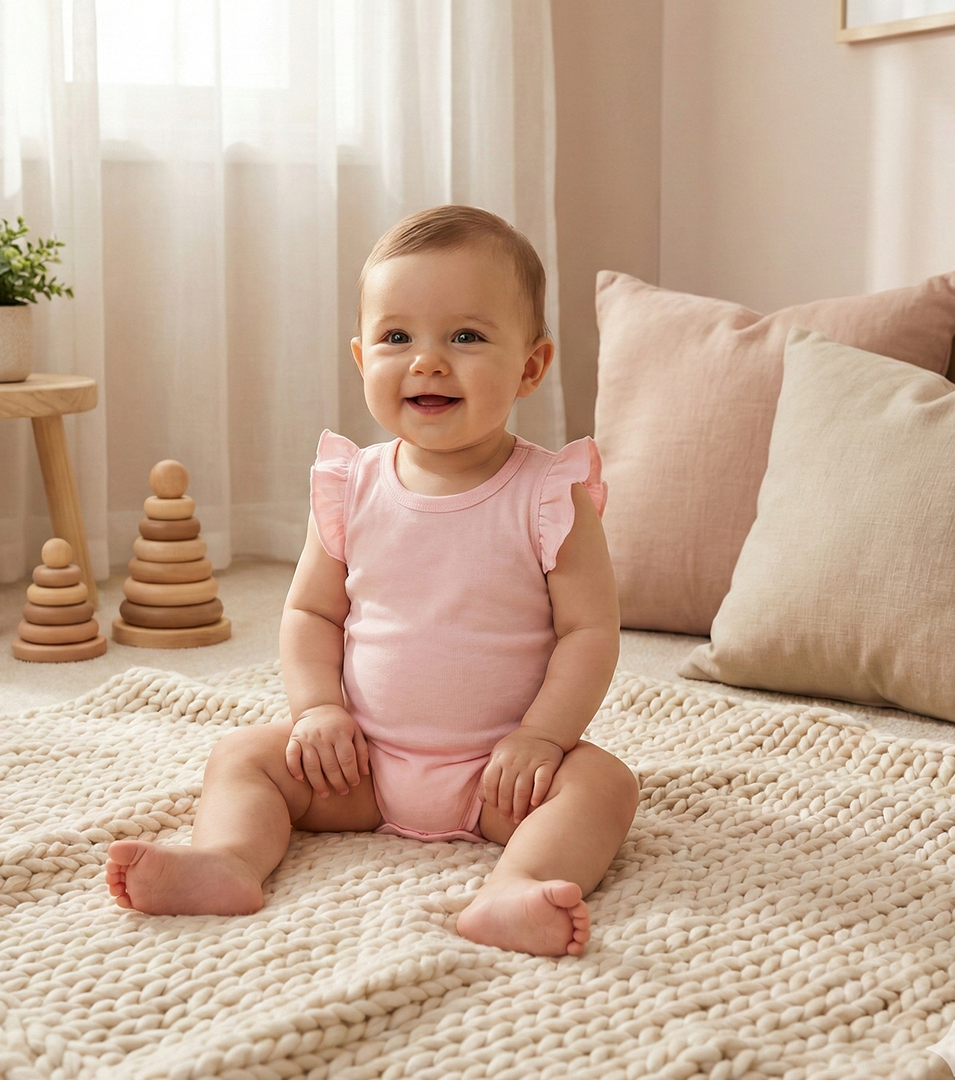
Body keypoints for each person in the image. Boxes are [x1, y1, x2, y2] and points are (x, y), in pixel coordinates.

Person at [106, 205, 639, 957]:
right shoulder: (351, 485)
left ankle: (514, 887)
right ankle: (227, 860)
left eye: (466, 336)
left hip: (500, 775)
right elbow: (309, 613)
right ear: (362, 359)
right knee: (242, 756)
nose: (427, 360)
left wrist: (542, 739)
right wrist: (319, 710)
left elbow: (590, 631)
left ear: (531, 365)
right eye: (397, 337)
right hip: (361, 763)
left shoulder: (550, 494)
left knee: (606, 786)